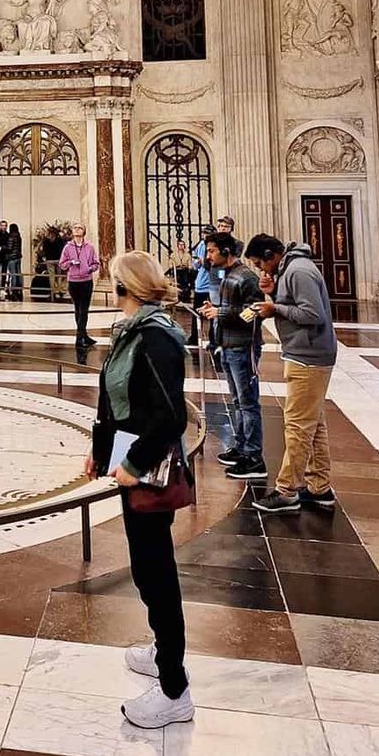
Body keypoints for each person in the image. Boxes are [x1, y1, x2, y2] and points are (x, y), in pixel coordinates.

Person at [86, 250, 193, 729]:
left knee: (156, 571)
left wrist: (131, 462)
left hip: (147, 469)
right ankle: (161, 648)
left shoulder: (156, 337)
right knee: (146, 566)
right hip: (131, 462)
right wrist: (100, 448)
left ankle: (174, 688)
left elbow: (171, 416)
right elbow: (115, 398)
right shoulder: (134, 331)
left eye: (113, 280)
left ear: (125, 286)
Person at [247, 234, 339, 514]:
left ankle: (287, 491)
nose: (261, 270)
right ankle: (319, 487)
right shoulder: (291, 269)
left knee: (297, 427)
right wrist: (273, 292)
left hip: (308, 357)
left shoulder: (299, 271)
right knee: (313, 424)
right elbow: (297, 306)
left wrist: (274, 307)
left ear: (270, 254)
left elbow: (312, 315)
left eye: (259, 264)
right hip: (306, 353)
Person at [202, 232, 266, 481]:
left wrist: (221, 313)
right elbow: (224, 306)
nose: (208, 256)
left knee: (248, 402)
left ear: (226, 251)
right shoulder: (224, 274)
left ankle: (254, 457)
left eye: (211, 251)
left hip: (243, 346)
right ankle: (241, 447)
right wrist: (213, 311)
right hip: (227, 345)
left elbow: (255, 312)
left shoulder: (247, 277)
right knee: (237, 401)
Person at [60, 223, 100, 353]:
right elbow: (62, 264)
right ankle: (82, 335)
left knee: (84, 309)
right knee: (78, 309)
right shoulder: (67, 247)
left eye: (80, 227)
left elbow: (96, 263)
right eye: (75, 227)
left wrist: (90, 268)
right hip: (73, 282)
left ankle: (80, 337)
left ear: (84, 231)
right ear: (72, 232)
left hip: (86, 281)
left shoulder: (90, 247)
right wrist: (71, 262)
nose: (77, 229)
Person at [5, 222, 23, 302]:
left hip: (12, 258)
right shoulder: (19, 237)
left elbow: (9, 248)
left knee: (13, 275)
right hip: (18, 257)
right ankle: (19, 289)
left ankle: (13, 290)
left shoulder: (11, 237)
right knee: (18, 273)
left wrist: (3, 248)